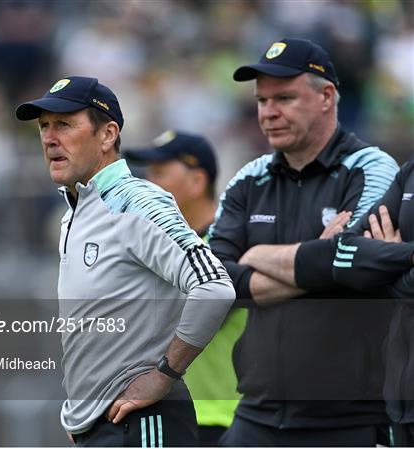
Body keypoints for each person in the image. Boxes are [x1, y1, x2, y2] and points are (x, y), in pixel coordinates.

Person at [15, 76, 235, 447]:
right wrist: (81, 410)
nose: (50, 138)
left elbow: (214, 287)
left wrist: (164, 374)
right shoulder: (75, 213)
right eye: (44, 126)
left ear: (107, 135)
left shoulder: (136, 202)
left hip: (144, 423)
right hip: (104, 425)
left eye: (65, 124)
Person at [208, 38, 399, 446]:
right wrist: (319, 257)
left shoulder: (371, 167)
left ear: (326, 96)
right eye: (262, 101)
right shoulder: (248, 178)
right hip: (258, 413)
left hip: (351, 419)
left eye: (285, 98)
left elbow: (355, 263)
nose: (269, 113)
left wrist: (255, 256)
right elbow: (214, 281)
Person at [124, 131, 247, 446]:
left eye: (161, 173)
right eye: (148, 174)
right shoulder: (158, 250)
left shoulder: (228, 245)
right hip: (173, 416)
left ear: (196, 182)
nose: (148, 184)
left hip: (223, 418)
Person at [332, 156, 414, 447]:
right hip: (400, 405)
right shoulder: (410, 169)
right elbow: (344, 256)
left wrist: (386, 267)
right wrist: (407, 257)